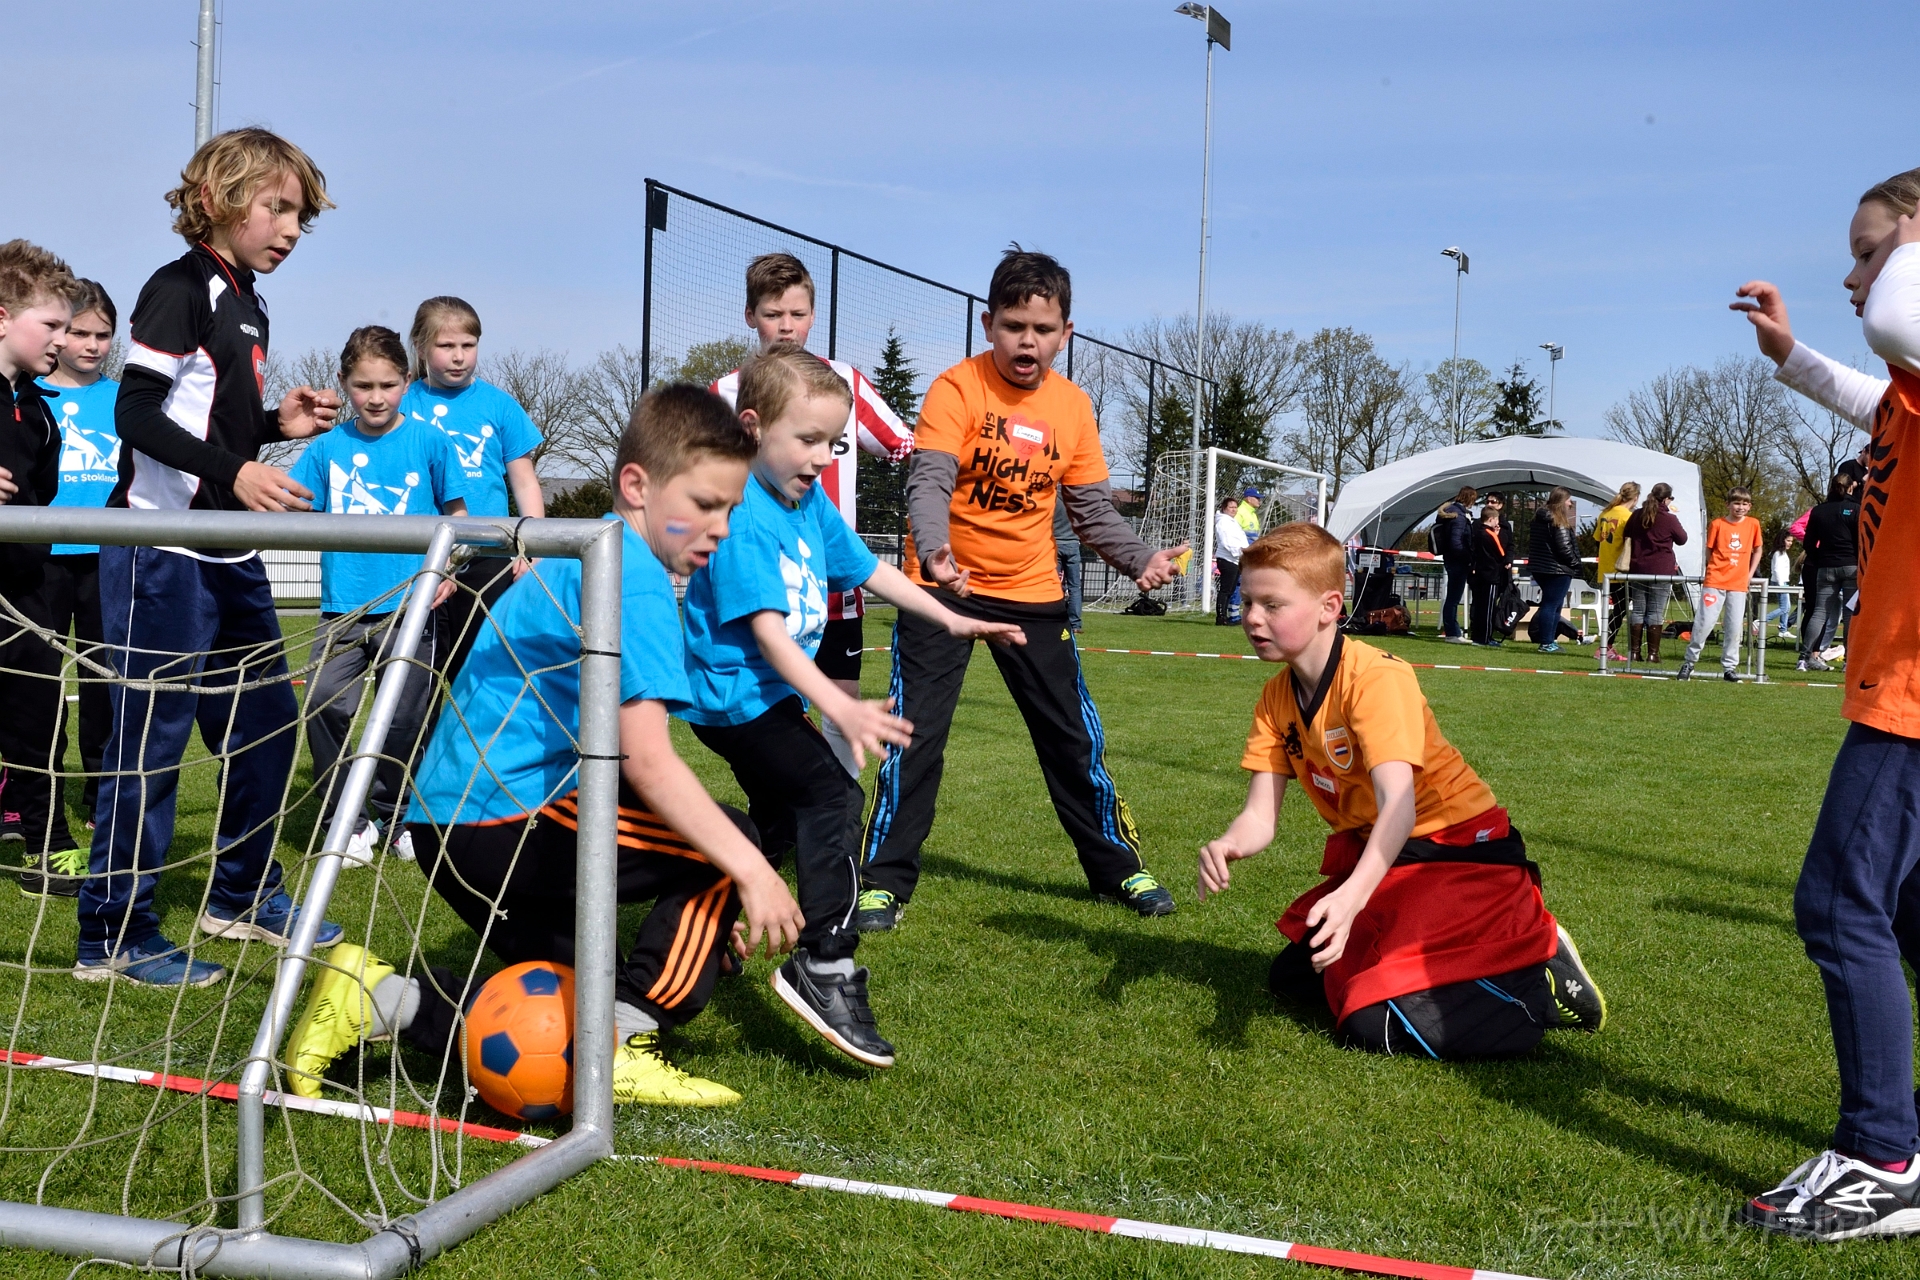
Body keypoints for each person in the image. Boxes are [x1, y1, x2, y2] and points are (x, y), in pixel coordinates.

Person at [287, 385, 807, 1108]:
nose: (720, 527)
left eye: (732, 508)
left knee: (565, 1021)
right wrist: (749, 872)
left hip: (447, 826)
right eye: (708, 504)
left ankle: (376, 997)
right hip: (506, 819)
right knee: (729, 841)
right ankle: (630, 1039)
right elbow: (648, 760)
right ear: (637, 485)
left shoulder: (581, 546)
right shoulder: (633, 573)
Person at [681, 346, 1023, 1068]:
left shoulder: (808, 504)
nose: (819, 456)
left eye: (831, 442)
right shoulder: (744, 510)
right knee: (831, 793)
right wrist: (839, 702)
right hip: (736, 698)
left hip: (764, 696)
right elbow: (767, 634)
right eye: (804, 439)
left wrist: (953, 618)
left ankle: (704, 926)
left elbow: (868, 570)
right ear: (751, 428)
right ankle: (825, 962)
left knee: (781, 822)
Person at [856, 249, 1188, 931]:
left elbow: (1092, 514)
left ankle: (1119, 868)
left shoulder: (1073, 407)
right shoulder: (956, 389)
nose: (1026, 342)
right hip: (942, 590)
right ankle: (882, 881)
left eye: (1042, 329)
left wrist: (1140, 562)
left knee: (1071, 738)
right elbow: (928, 483)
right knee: (912, 736)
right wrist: (938, 552)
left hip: (1033, 594)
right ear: (988, 324)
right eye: (1013, 326)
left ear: (1066, 332)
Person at [83, 130, 345, 988]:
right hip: (159, 551)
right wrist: (237, 468)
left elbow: (209, 423)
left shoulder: (250, 298)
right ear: (217, 201)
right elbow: (137, 412)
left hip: (226, 549)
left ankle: (241, 897)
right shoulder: (178, 287)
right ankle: (114, 935)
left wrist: (273, 428)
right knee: (150, 744)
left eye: (300, 215)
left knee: (267, 725)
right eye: (276, 207)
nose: (291, 227)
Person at [1196, 522, 1605, 1059]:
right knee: (1294, 977)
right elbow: (1259, 818)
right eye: (1249, 601)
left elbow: (1399, 806)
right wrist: (1229, 843)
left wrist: (1351, 896)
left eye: (1272, 604)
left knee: (1370, 1023)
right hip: (1391, 855)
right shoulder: (1276, 698)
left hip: (1460, 850)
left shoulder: (1375, 678)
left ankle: (1534, 967)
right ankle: (1469, 950)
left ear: (1329, 607)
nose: (1252, 617)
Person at [1720, 166, 1920, 1240]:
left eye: (1867, 247)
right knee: (1910, 914)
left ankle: (1883, 1154)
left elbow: (1897, 311)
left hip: (1917, 699)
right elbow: (1871, 393)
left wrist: (1906, 252)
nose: (1852, 275)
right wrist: (1789, 354)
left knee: (1841, 902)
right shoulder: (1909, 390)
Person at [710, 253, 915, 778]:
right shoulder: (725, 394)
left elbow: (904, 446)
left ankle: (837, 822)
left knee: (842, 711)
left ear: (813, 316)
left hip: (834, 588)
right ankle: (792, 820)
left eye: (797, 314)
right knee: (774, 718)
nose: (786, 326)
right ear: (750, 315)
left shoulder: (844, 383)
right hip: (761, 583)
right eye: (774, 314)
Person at [288, 328, 471, 867]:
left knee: (401, 722)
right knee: (322, 703)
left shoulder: (431, 444)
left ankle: (399, 817)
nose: (374, 397)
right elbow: (293, 507)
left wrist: (448, 570)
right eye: (362, 385)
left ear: (406, 383)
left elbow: (460, 519)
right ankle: (348, 823)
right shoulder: (325, 449)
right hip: (341, 607)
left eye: (387, 385)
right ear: (344, 384)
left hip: (412, 608)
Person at [399, 297, 545, 684]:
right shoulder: (403, 404)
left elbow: (525, 480)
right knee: (417, 678)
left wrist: (533, 546)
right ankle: (421, 746)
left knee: (485, 674)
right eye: (446, 346)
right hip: (418, 554)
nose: (459, 356)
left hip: (488, 555)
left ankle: (482, 744)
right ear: (420, 346)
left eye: (468, 345)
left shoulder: (500, 405)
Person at [0, 242, 81, 895]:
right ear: (2, 318)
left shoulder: (40, 410)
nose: (62, 339)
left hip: (26, 589)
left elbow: (44, 495)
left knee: (39, 714)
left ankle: (47, 846)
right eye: (50, 325)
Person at [33, 281, 120, 846]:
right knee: (36, 688)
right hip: (39, 560)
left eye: (103, 334)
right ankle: (34, 798)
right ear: (59, 334)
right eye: (80, 332)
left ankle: (100, 796)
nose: (91, 345)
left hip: (108, 559)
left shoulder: (126, 399)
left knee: (104, 686)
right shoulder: (27, 394)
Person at [1677, 487, 1764, 682]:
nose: (1740, 507)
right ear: (1728, 504)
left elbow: (1758, 550)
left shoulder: (1753, 524)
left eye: (1744, 504)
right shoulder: (1717, 524)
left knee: (1734, 628)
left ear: (1749, 506)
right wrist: (1714, 568)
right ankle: (1689, 663)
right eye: (1736, 503)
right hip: (1715, 581)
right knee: (1704, 624)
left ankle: (1729, 668)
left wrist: (1749, 574)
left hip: (1738, 585)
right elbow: (1709, 551)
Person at [1620, 482, 1688, 666]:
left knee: (1638, 610)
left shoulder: (1636, 515)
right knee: (1655, 612)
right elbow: (1682, 539)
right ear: (1666, 499)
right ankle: (1653, 654)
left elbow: (1626, 535)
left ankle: (1634, 653)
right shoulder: (1669, 518)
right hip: (1661, 570)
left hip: (1638, 570)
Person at [1796, 477, 1859, 673]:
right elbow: (1862, 540)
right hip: (1851, 566)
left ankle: (1804, 658)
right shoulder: (1856, 509)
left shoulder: (1818, 510)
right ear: (1850, 487)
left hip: (1825, 567)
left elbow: (1808, 542)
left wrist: (1821, 557)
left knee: (1819, 613)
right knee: (1850, 616)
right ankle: (1849, 662)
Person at [1525, 487, 1580, 654]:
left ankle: (1549, 640)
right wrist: (1575, 563)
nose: (1570, 503)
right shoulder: (1558, 521)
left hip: (1540, 568)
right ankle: (1547, 642)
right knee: (1552, 605)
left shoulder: (1538, 519)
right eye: (1569, 500)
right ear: (1562, 501)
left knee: (1551, 604)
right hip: (1558, 569)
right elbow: (1564, 548)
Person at [1592, 482, 1639, 661]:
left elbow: (1598, 538)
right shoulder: (1628, 516)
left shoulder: (1605, 513)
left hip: (1605, 567)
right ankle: (1605, 647)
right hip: (1620, 569)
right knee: (1619, 610)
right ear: (1635, 498)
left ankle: (1606, 645)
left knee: (1617, 609)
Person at [1433, 486, 1477, 644]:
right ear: (1470, 499)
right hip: (1458, 561)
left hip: (1450, 559)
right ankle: (1452, 632)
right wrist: (1468, 557)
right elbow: (1456, 542)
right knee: (1453, 598)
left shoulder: (1449, 512)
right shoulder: (1459, 516)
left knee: (1451, 597)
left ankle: (1452, 630)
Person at [1468, 497, 1512, 647]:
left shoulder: (1478, 532)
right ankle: (1485, 638)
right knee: (1488, 608)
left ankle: (1477, 635)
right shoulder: (1490, 534)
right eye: (1496, 520)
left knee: (1479, 606)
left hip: (1479, 573)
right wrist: (1498, 537)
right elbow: (1501, 553)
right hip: (1491, 574)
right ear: (1492, 519)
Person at [1213, 494, 1249, 626]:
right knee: (1225, 589)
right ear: (1224, 508)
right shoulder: (1223, 522)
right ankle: (1220, 617)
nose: (1234, 509)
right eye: (1231, 507)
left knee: (1231, 588)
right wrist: (1239, 552)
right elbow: (1226, 541)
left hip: (1235, 559)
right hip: (1227, 559)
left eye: (1235, 507)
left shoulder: (1232, 522)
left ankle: (1225, 616)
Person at [1758, 531, 1799, 641]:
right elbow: (1776, 569)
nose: (1790, 543)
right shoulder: (1778, 553)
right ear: (1782, 540)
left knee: (1787, 607)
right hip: (1780, 582)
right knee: (1784, 607)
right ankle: (1761, 621)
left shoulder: (1782, 553)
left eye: (1791, 541)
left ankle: (1783, 629)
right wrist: (1781, 585)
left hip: (1783, 582)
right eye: (1788, 541)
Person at [1054, 498, 1084, 632]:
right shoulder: (1077, 501)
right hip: (1073, 544)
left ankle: (1056, 620)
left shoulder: (1054, 499)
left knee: (1055, 585)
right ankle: (1075, 624)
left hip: (1055, 544)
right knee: (1075, 587)